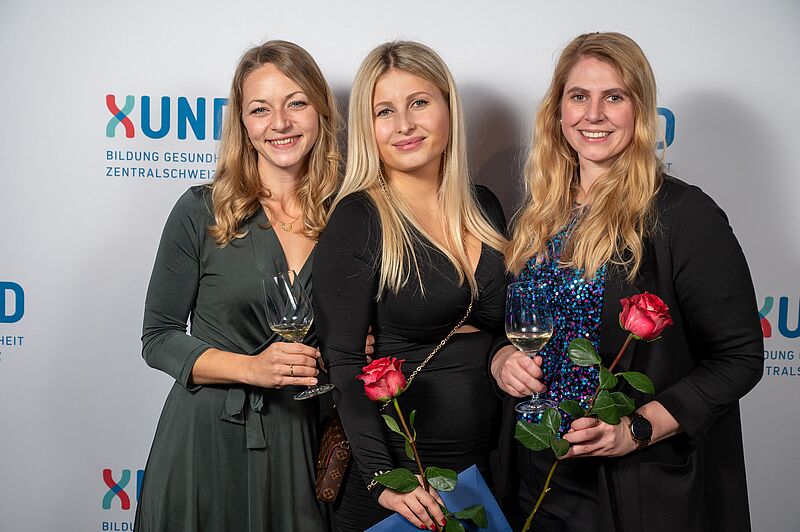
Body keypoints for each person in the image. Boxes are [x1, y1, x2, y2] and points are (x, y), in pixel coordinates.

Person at [492, 32, 763, 532]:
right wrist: (502, 359)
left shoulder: (682, 214)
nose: (593, 114)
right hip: (535, 477)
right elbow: (508, 328)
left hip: (630, 485)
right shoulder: (538, 214)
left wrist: (636, 429)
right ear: (558, 110)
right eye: (579, 96)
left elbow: (739, 358)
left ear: (639, 111)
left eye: (614, 97)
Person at [134, 40, 342, 531]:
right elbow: (158, 338)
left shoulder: (350, 215)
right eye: (260, 109)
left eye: (296, 103)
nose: (280, 123)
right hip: (205, 439)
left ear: (320, 110)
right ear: (243, 125)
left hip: (299, 440)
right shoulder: (201, 210)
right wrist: (252, 368)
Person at [313, 41, 508, 531]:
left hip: (484, 472)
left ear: (448, 107)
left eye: (419, 102)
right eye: (385, 111)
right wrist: (385, 479)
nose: (404, 125)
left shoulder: (484, 206)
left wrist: (505, 352)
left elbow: (500, 327)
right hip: (405, 483)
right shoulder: (358, 219)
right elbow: (344, 363)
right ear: (368, 127)